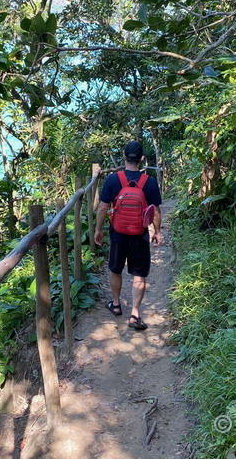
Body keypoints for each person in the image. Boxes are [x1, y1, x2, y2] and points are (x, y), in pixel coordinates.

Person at [94, 141, 162, 330]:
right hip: (139, 233)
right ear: (141, 159)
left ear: (124, 157)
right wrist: (157, 231)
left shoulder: (113, 180)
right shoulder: (149, 182)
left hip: (118, 232)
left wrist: (97, 230)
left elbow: (103, 207)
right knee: (139, 275)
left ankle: (116, 305)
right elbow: (155, 210)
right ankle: (135, 314)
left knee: (115, 269)